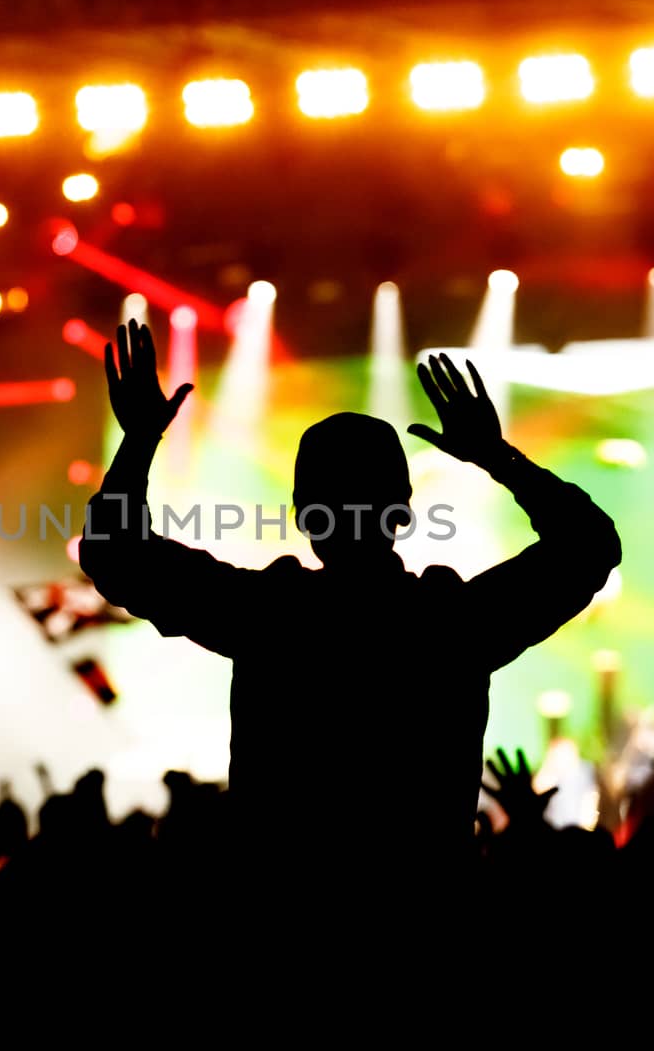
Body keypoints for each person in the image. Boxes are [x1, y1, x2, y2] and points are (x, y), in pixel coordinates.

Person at [78, 320, 621, 913]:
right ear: (405, 513)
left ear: (305, 516)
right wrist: (497, 457)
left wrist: (137, 443)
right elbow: (589, 546)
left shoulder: (268, 617)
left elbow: (114, 553)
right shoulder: (452, 626)